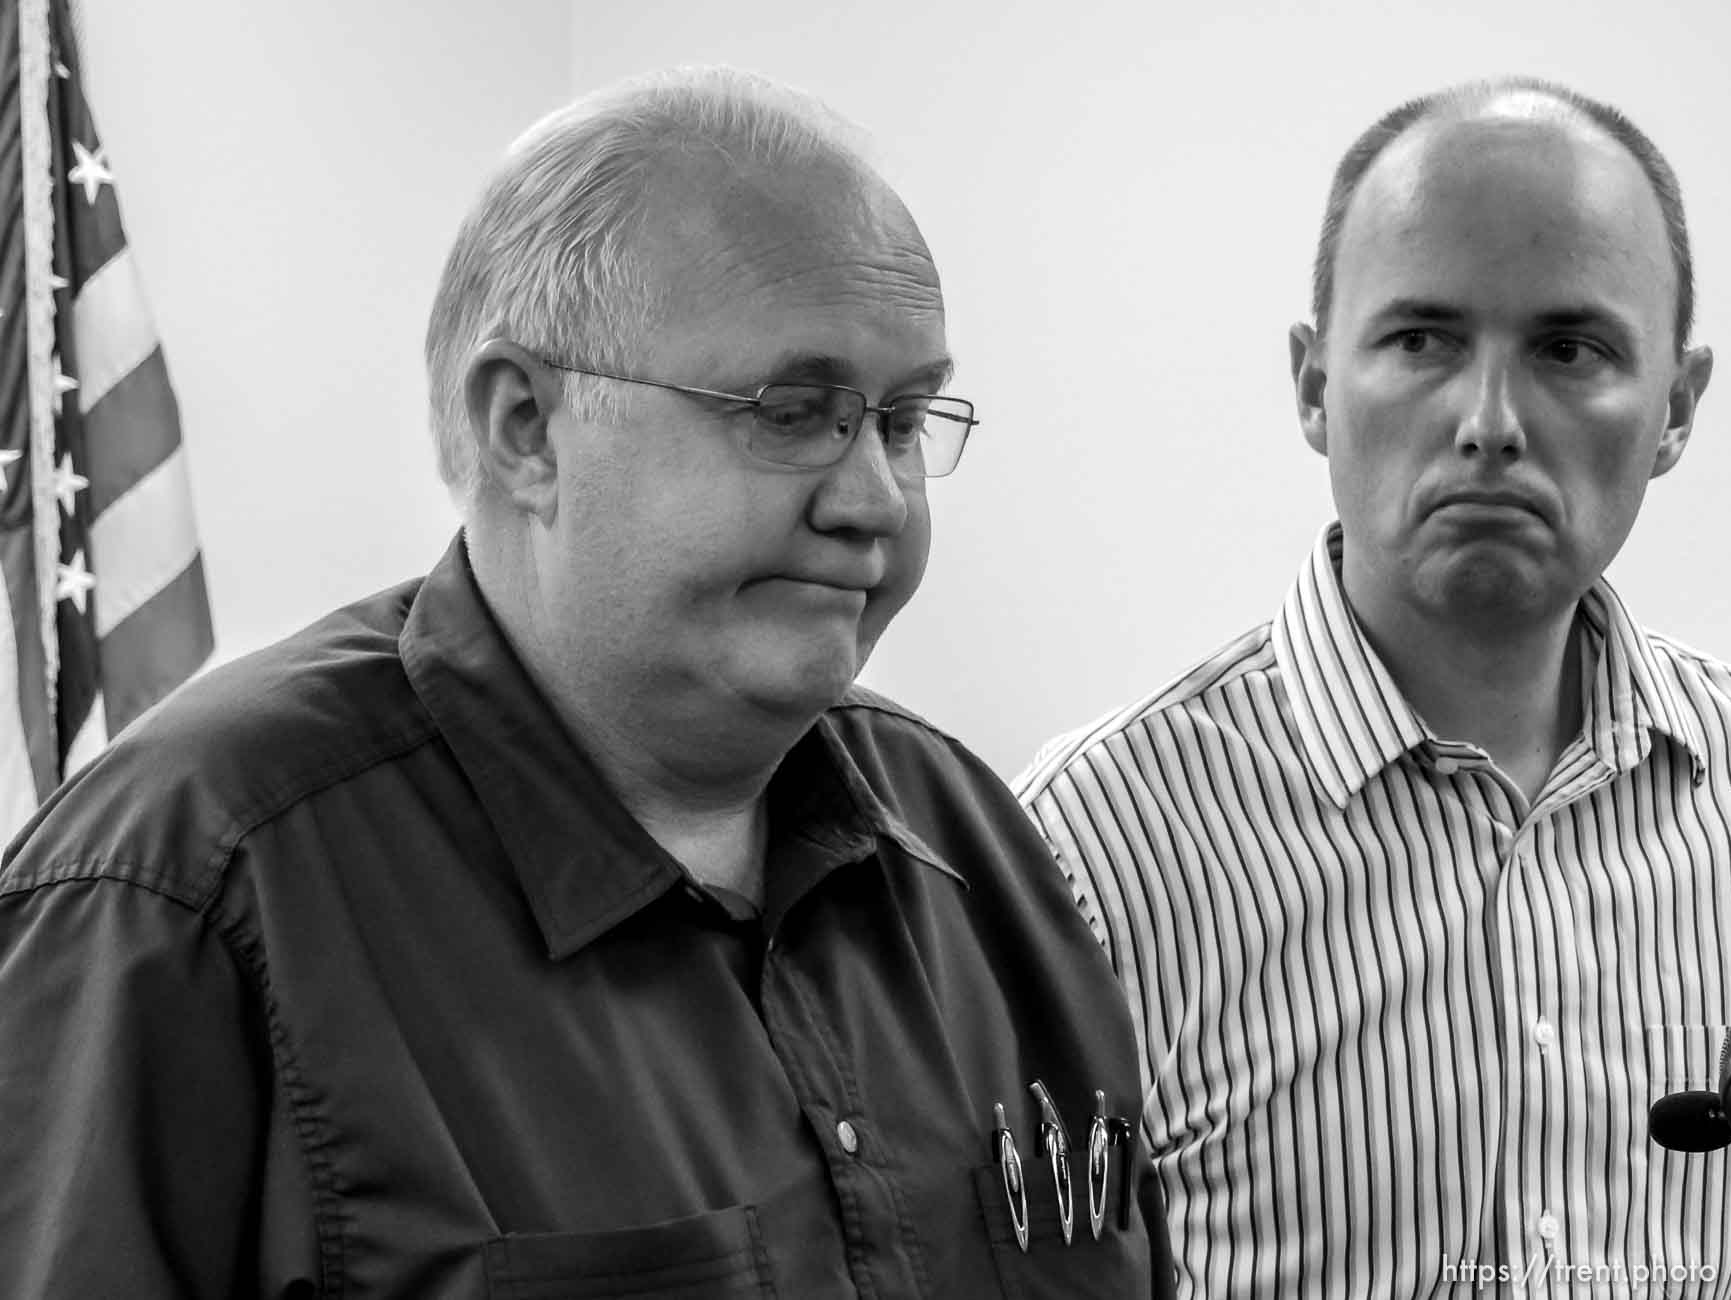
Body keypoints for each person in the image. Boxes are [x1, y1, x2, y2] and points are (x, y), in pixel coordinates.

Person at [0, 68, 1170, 1298]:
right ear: (525, 428)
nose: (873, 498)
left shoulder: (973, 842)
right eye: (791, 409)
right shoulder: (188, 889)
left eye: (899, 418)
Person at [1017, 77, 1730, 1297]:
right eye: (1421, 340)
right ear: (1310, 385)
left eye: (1569, 348)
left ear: (1673, 406)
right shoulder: (1085, 848)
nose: (1489, 422)